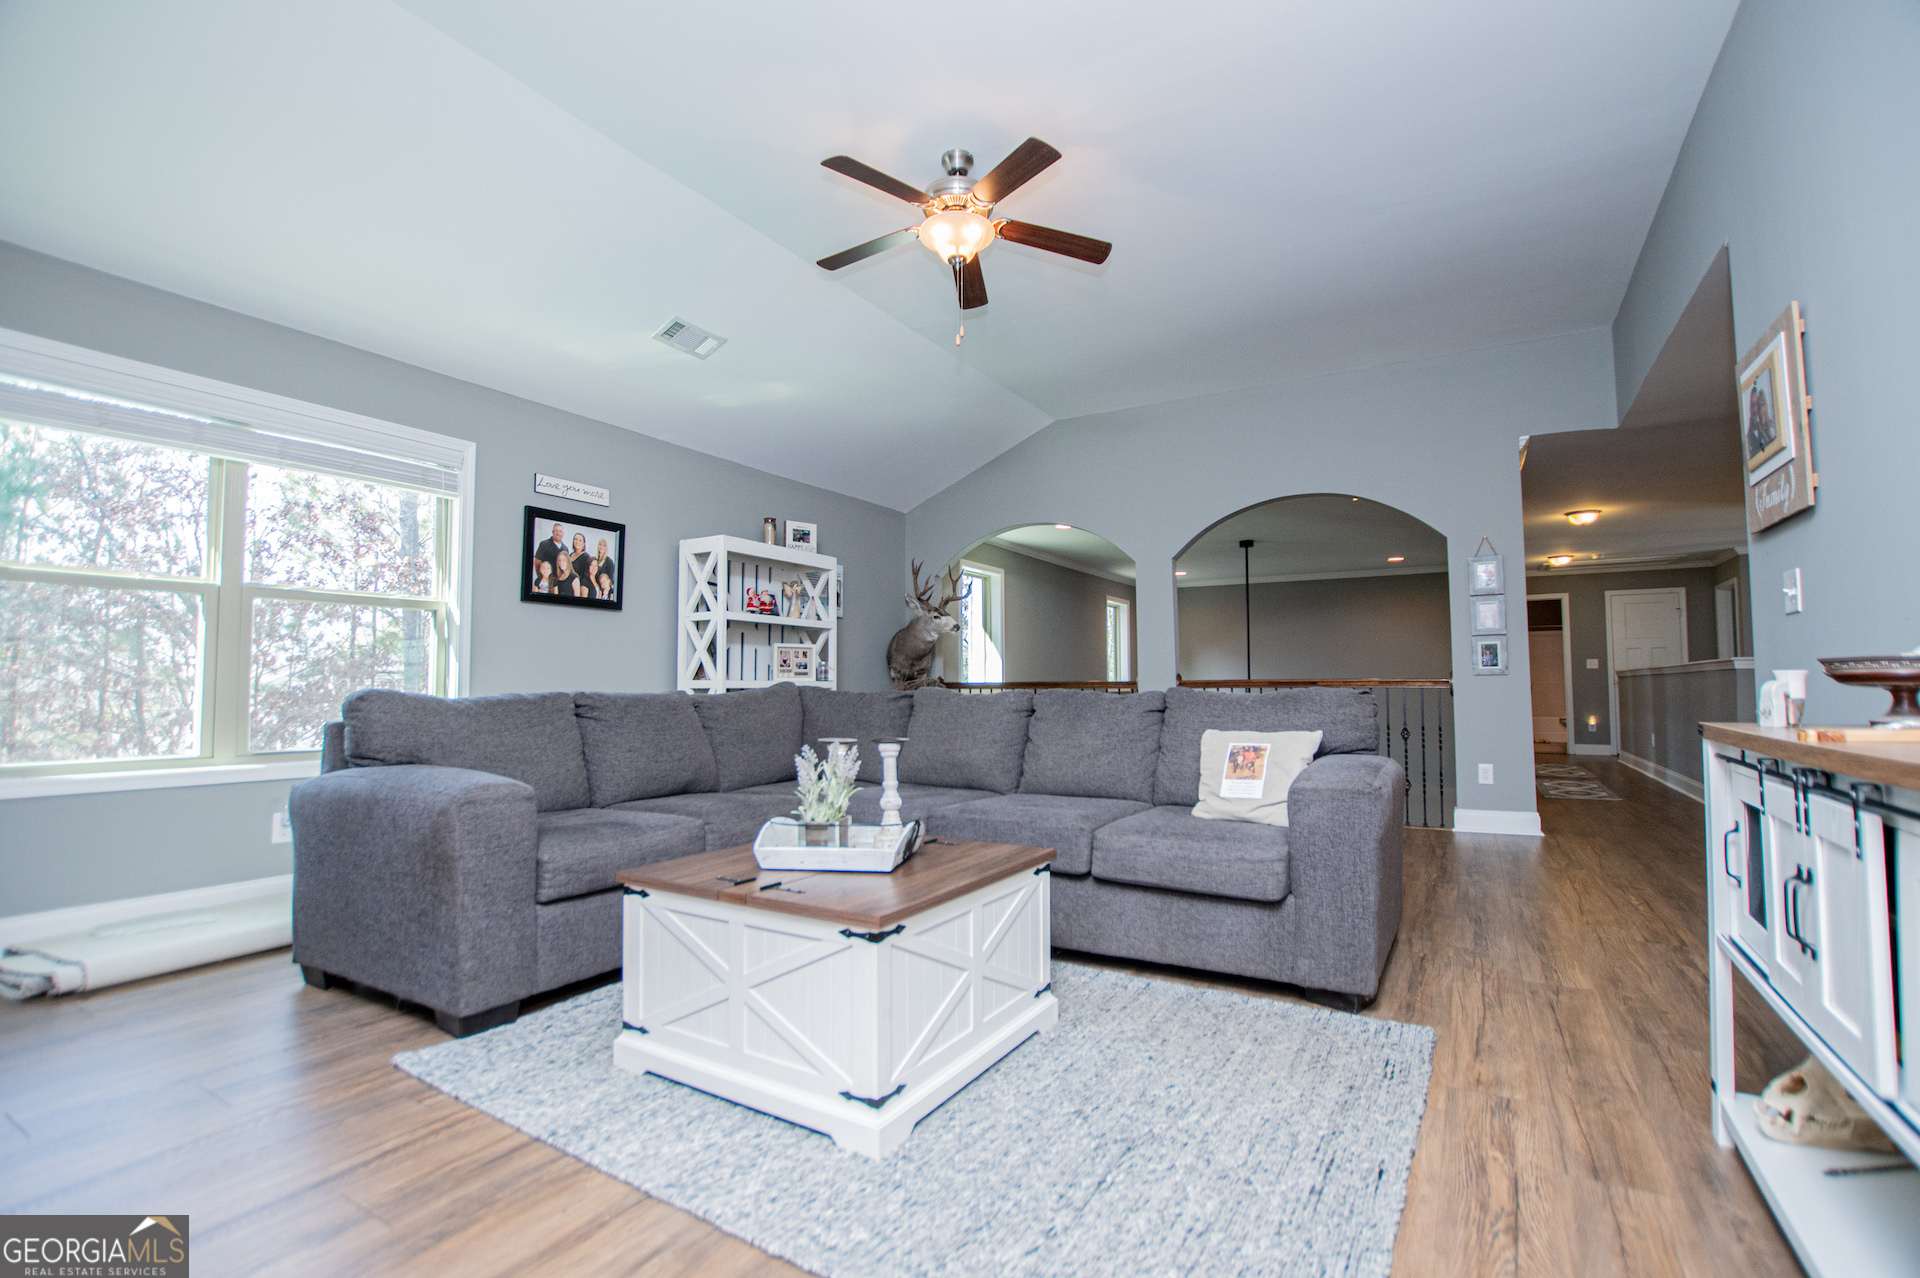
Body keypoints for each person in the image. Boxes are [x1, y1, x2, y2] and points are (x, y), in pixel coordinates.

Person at [1746, 384, 1776, 460]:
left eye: (1760, 405)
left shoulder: (1772, 429)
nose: (1756, 410)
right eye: (1753, 405)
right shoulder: (1748, 437)